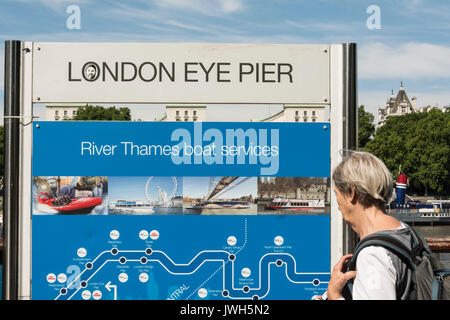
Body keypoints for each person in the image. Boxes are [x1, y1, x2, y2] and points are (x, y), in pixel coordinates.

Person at [324, 151, 413, 300]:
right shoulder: (404, 231)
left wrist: (334, 295)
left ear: (351, 193)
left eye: (337, 194)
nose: (337, 204)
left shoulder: (373, 254)